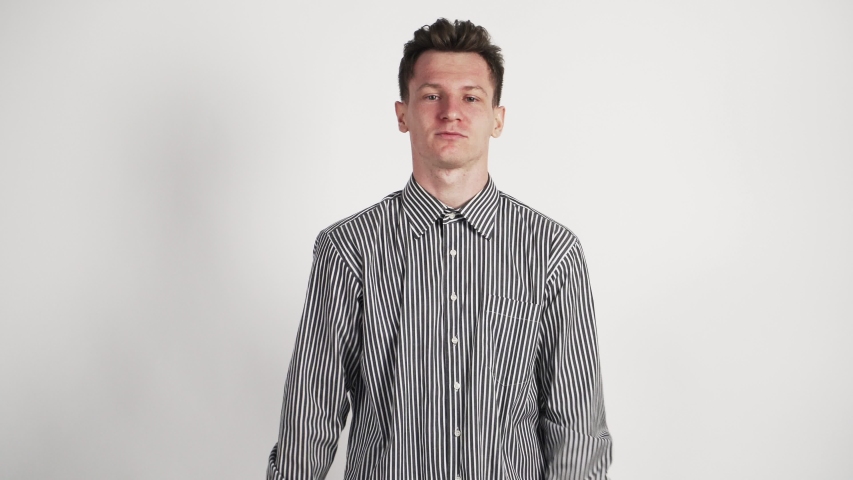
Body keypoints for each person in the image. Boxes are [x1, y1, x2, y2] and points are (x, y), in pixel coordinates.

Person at [267, 18, 612, 480]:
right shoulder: (348, 249)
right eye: (432, 96)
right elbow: (311, 415)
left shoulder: (551, 252)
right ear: (403, 114)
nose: (451, 112)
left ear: (497, 119)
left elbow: (577, 426)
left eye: (471, 97)